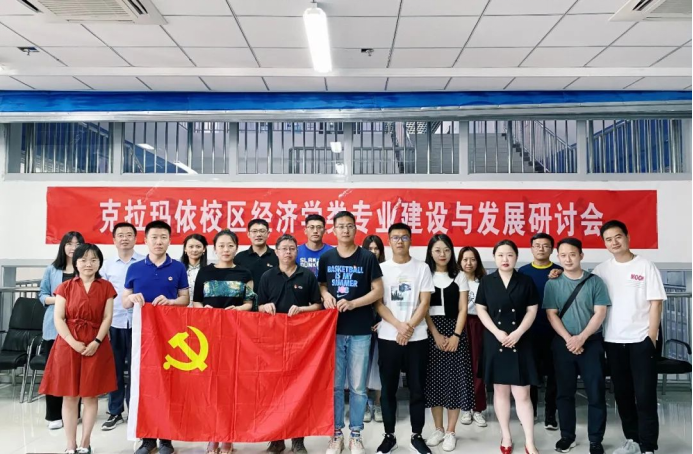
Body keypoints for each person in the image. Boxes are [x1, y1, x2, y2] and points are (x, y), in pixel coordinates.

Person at [593, 220, 666, 454]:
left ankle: (648, 446)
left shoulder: (645, 266)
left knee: (644, 396)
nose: (614, 242)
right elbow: (583, 287)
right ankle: (632, 440)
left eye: (618, 237)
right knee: (623, 395)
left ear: (627, 237)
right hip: (613, 342)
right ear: (604, 244)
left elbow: (656, 303)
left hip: (641, 341)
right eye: (608, 239)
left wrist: (651, 338)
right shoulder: (601, 270)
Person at [39, 244, 117, 454]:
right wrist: (72, 342)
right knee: (70, 396)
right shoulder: (65, 287)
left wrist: (97, 342)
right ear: (76, 263)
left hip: (96, 343)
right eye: (83, 260)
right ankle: (70, 444)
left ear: (99, 263)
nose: (88, 264)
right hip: (68, 344)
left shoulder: (106, 287)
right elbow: (58, 317)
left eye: (93, 260)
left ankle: (85, 442)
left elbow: (107, 317)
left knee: (91, 395)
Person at [318, 211, 384, 454]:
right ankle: (336, 434)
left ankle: (355, 435)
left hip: (360, 330)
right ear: (333, 230)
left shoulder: (367, 257)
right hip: (333, 331)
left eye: (349, 226)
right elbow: (321, 284)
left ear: (356, 229)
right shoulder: (326, 257)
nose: (345, 230)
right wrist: (325, 294)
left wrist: (354, 303)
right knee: (335, 387)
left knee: (357, 386)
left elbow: (378, 291)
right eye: (340, 226)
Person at [122, 220, 190, 454]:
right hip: (142, 337)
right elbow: (125, 301)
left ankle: (166, 439)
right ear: (145, 240)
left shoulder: (178, 268)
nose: (159, 241)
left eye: (163, 237)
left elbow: (185, 299)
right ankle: (147, 438)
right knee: (144, 384)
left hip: (171, 336)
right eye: (154, 237)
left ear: (170, 240)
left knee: (168, 384)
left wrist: (171, 302)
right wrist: (132, 299)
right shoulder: (135, 268)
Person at [258, 234, 323, 454]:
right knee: (274, 391)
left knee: (298, 390)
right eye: (284, 248)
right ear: (276, 252)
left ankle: (298, 440)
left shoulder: (307, 275)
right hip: (272, 342)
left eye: (292, 248)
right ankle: (276, 439)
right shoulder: (267, 276)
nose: (288, 252)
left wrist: (303, 309)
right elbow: (258, 306)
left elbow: (318, 306)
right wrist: (265, 307)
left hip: (301, 342)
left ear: (297, 251)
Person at [545, 237, 611, 454]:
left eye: (572, 254)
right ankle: (567, 436)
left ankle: (595, 440)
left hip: (591, 344)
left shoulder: (595, 282)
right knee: (564, 393)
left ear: (581, 255)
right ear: (558, 257)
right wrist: (569, 339)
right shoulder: (553, 283)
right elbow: (552, 314)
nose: (568, 259)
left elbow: (600, 312)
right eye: (563, 255)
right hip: (563, 344)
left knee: (596, 393)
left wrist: (581, 338)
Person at [193, 229, 256, 454]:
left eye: (230, 245)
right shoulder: (205, 272)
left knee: (231, 387)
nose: (226, 250)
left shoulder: (244, 273)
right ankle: (213, 435)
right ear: (214, 248)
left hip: (235, 335)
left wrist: (237, 309)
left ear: (236, 248)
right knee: (211, 387)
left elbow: (250, 303)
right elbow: (196, 302)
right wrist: (206, 311)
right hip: (209, 336)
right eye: (221, 246)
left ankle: (228, 436)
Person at [374, 224, 434, 454]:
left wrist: (408, 328)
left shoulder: (422, 268)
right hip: (388, 337)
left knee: (417, 389)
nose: (400, 241)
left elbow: (424, 303)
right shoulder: (381, 268)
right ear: (389, 241)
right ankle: (389, 436)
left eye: (404, 237)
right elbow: (378, 303)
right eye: (395, 238)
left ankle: (416, 436)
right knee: (388, 389)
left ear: (410, 240)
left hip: (417, 338)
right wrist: (399, 326)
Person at [476, 240, 540, 454]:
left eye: (510, 255)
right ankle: (506, 436)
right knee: (500, 391)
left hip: (521, 340)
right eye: (501, 255)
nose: (505, 259)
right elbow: (481, 309)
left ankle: (529, 441)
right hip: (496, 340)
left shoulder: (526, 280)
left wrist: (518, 333)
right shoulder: (487, 281)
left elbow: (532, 310)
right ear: (494, 257)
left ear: (516, 257)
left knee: (523, 394)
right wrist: (497, 332)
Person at [423, 235, 474, 452]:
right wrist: (435, 333)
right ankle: (438, 429)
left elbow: (463, 309)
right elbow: (423, 308)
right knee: (433, 381)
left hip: (455, 330)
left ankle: (451, 431)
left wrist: (456, 335)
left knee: (454, 381)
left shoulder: (459, 276)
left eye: (446, 250)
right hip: (430, 330)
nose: (442, 254)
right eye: (437, 250)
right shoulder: (425, 274)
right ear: (430, 252)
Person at [100, 222, 145, 431]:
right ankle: (115, 411)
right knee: (115, 369)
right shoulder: (106, 266)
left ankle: (135, 410)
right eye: (120, 235)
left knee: (137, 369)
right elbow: (102, 296)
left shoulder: (144, 262)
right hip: (114, 322)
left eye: (129, 235)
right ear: (114, 240)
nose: (124, 238)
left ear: (136, 239)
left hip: (140, 323)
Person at [39, 230, 85, 430]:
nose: (73, 248)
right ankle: (53, 415)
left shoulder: (84, 267)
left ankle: (74, 413)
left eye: (77, 244)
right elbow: (42, 295)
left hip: (79, 327)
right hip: (54, 327)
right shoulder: (52, 269)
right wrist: (59, 300)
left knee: (77, 373)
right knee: (54, 372)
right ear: (63, 246)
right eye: (69, 243)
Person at [518, 233, 562, 429]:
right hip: (529, 331)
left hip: (555, 331)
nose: (541, 249)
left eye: (545, 246)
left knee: (554, 374)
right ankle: (531, 411)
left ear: (552, 249)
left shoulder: (560, 271)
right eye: (537, 245)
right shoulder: (523, 272)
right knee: (531, 373)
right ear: (531, 248)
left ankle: (551, 414)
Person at [457, 246, 488, 427]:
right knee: (462, 367)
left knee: (478, 366)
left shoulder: (484, 282)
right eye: (465, 259)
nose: (469, 263)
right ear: (460, 261)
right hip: (459, 324)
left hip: (478, 325)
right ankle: (465, 408)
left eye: (473, 259)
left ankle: (477, 409)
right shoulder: (454, 281)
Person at [362, 235, 385, 424]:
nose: (373, 252)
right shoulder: (360, 269)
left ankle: (377, 403)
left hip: (383, 324)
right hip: (362, 324)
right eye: (370, 249)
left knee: (379, 366)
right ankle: (364, 404)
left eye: (376, 248)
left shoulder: (386, 269)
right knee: (362, 366)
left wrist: (384, 321)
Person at [234, 219, 279, 288]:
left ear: (268, 234)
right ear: (248, 234)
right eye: (254, 231)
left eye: (262, 231)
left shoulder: (277, 256)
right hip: (247, 295)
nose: (258, 234)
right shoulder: (239, 257)